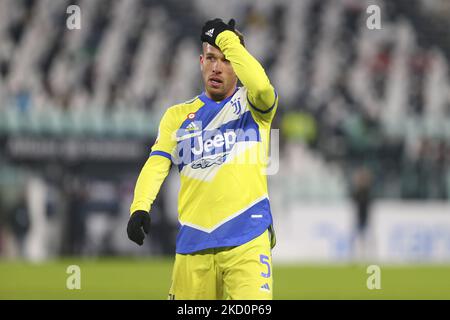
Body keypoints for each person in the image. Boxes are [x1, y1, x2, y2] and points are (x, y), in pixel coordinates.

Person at [127, 18, 278, 300]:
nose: (217, 67)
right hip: (193, 245)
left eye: (227, 60)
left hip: (247, 240)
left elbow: (261, 85)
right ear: (200, 62)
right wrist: (140, 207)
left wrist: (226, 38)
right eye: (211, 58)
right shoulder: (176, 116)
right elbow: (157, 164)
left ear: (239, 62)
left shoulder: (254, 105)